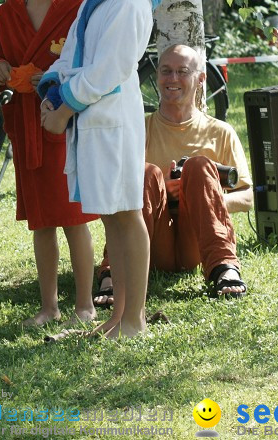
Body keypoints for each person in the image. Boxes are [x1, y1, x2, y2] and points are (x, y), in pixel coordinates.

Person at [37, 0, 163, 339]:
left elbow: (110, 69)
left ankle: (135, 319)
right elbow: (72, 54)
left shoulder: (130, 1)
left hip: (113, 122)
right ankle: (118, 315)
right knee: (111, 216)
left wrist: (68, 105)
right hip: (92, 122)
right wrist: (52, 91)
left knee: (127, 214)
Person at [0, 0, 98, 327]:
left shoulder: (77, 6)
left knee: (73, 217)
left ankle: (84, 304)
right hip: (25, 125)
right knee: (42, 222)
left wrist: (47, 77)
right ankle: (49, 306)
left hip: (63, 121)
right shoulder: (8, 12)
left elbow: (87, 59)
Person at [93, 44, 252, 304]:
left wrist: (200, 197)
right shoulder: (138, 130)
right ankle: (114, 271)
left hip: (198, 241)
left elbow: (246, 198)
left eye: (182, 71)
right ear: (157, 77)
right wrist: (165, 192)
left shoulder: (221, 132)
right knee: (147, 173)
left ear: (201, 79)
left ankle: (224, 267)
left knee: (199, 166)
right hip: (151, 239)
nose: (173, 79)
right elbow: (115, 195)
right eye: (166, 71)